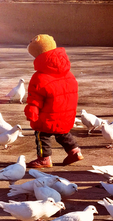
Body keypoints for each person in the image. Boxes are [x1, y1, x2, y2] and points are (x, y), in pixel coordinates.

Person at [24, 34, 83, 168]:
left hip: (47, 115)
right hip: (65, 113)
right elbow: (72, 91)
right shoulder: (68, 72)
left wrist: (31, 111)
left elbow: (35, 98)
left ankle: (44, 158)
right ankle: (74, 151)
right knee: (62, 132)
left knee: (42, 135)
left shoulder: (39, 76)